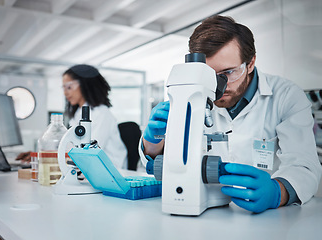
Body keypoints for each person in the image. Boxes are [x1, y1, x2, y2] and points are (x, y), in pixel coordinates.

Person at [140, 15, 322, 213]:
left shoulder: (285, 95)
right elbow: (160, 164)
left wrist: (277, 192)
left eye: (228, 73)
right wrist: (153, 142)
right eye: (209, 74)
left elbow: (304, 166)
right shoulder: (193, 95)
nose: (219, 86)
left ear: (250, 63)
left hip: (269, 218)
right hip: (206, 212)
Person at [63, 64, 127, 169]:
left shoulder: (102, 113)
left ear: (84, 85)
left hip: (111, 171)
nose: (65, 92)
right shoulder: (77, 114)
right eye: (64, 87)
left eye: (69, 87)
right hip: (89, 170)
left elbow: (88, 151)